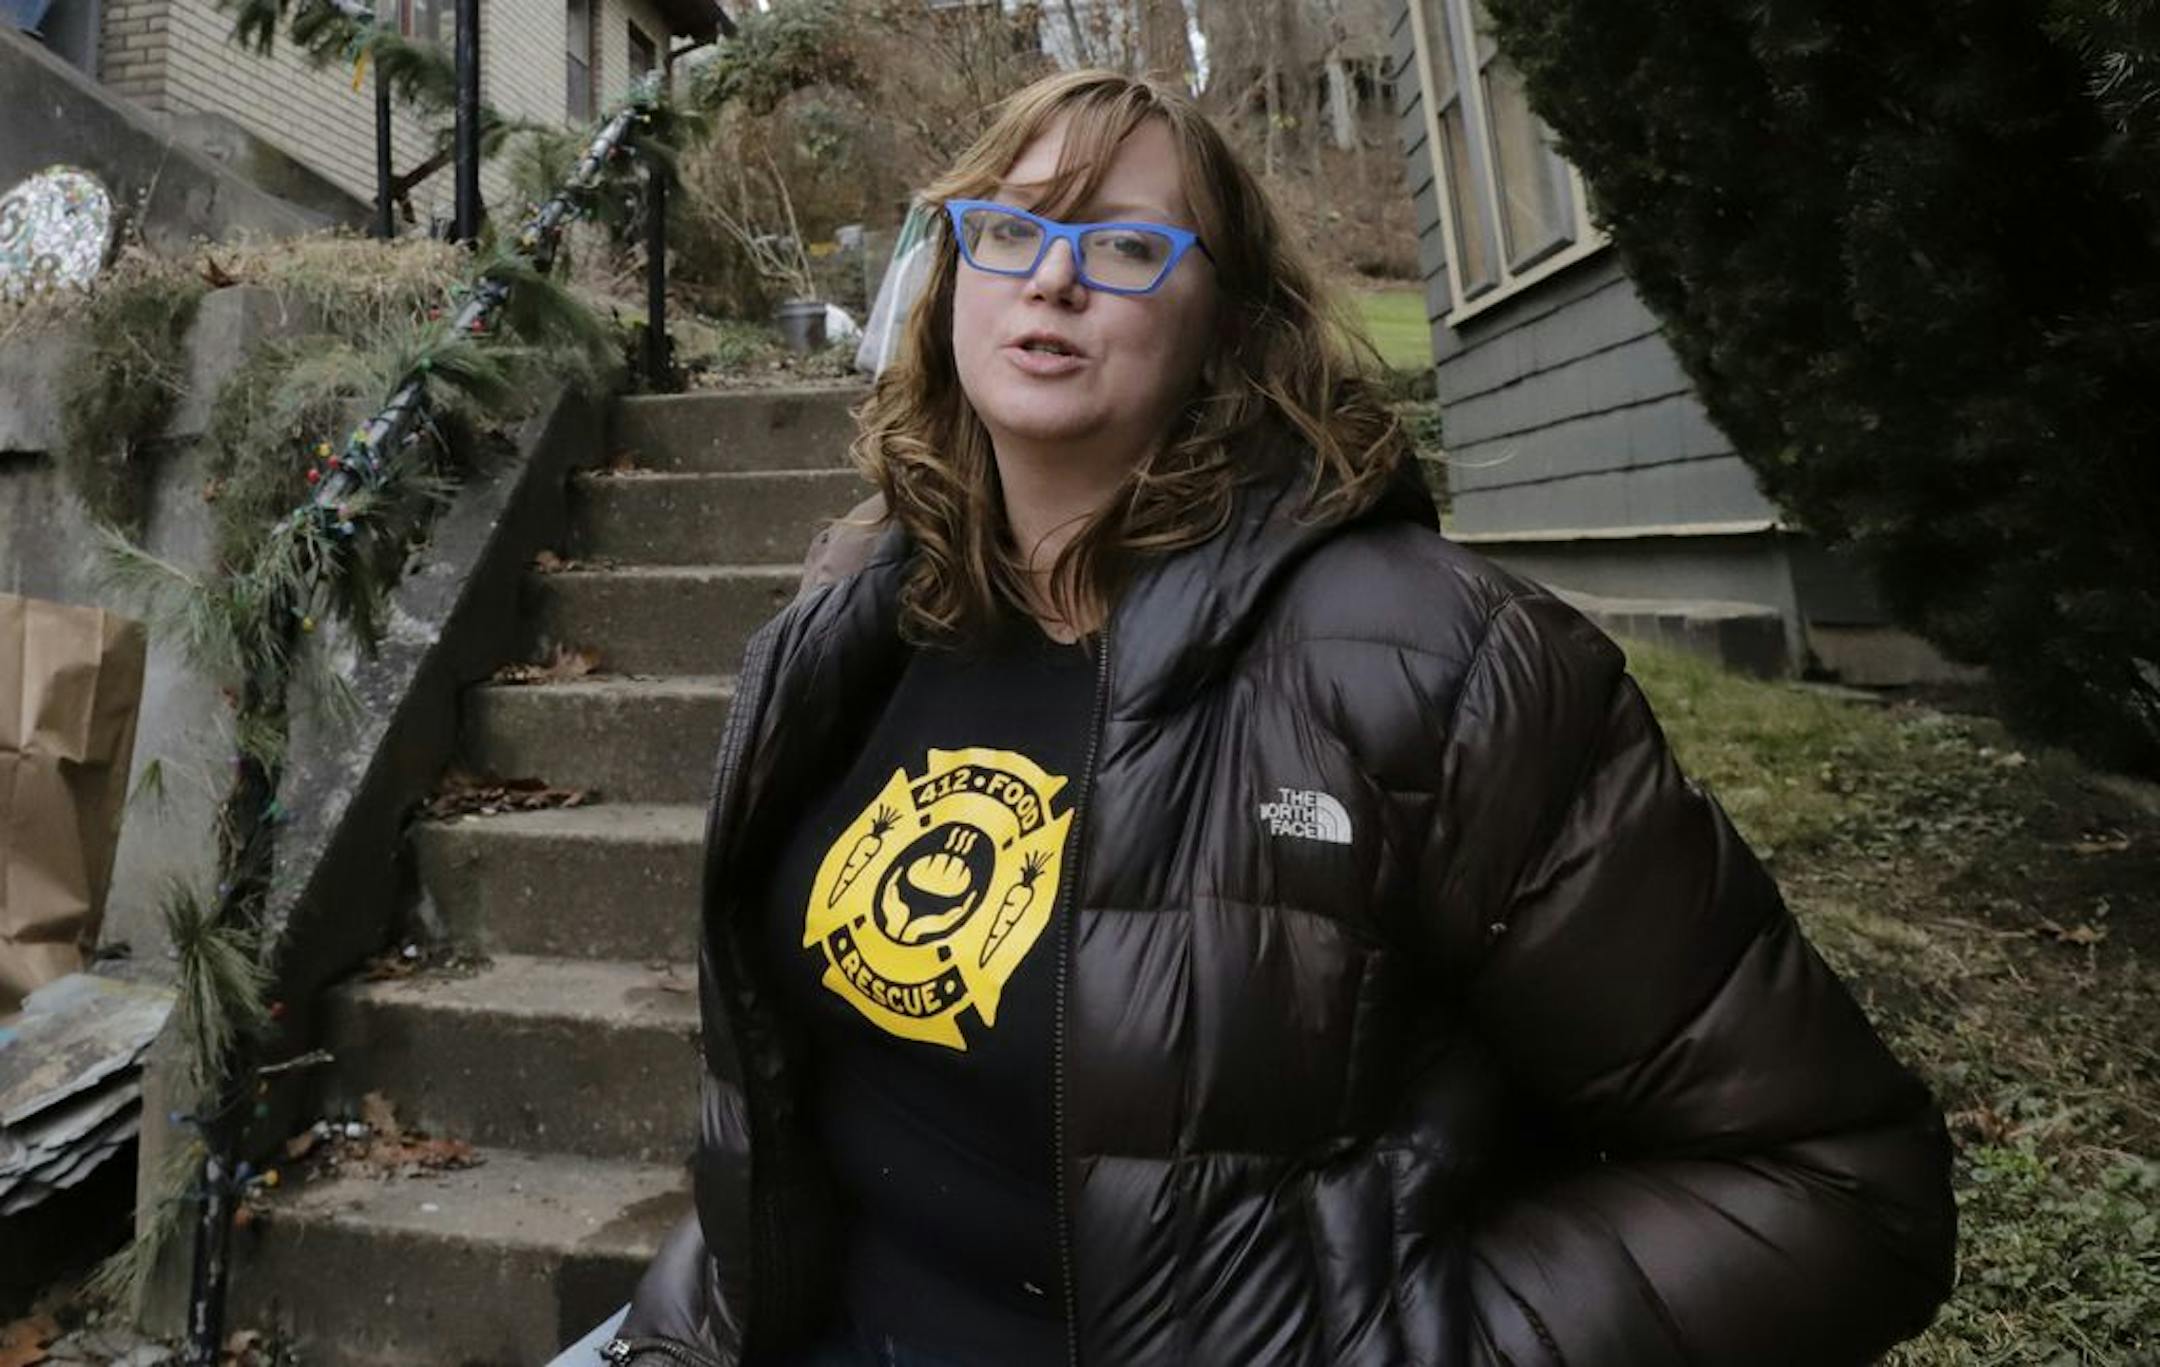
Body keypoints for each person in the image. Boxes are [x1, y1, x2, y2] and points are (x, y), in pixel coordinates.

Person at [603, 69, 1957, 1367]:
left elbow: (1837, 1185)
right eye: (1009, 230)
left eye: (1127, 246)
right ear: (951, 276)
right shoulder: (861, 606)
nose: (1053, 275)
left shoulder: (1432, 663)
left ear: (1231, 326)